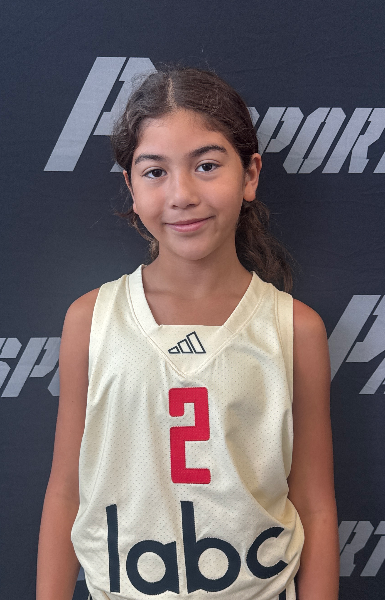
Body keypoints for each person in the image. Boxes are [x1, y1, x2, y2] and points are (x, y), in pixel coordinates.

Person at [36, 66, 340, 600]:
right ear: (131, 187)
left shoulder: (294, 329)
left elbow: (314, 505)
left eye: (206, 166)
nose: (182, 194)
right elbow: (66, 492)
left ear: (249, 175)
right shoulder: (91, 321)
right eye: (155, 171)